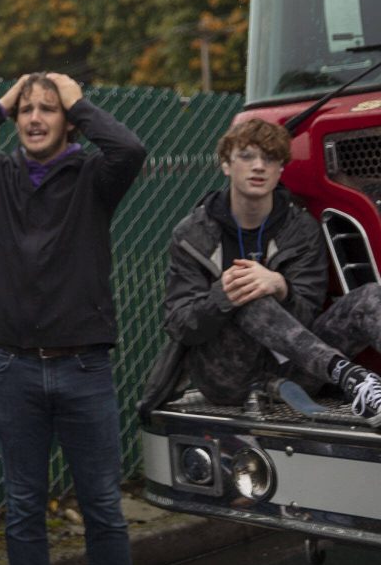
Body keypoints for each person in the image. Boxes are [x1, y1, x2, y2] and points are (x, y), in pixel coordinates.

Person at [0, 72, 146, 565]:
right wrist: (0, 104)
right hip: (13, 367)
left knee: (103, 509)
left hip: (85, 368)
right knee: (23, 509)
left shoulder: (95, 178)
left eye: (49, 108)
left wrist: (79, 101)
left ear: (69, 121)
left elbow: (129, 150)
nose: (35, 118)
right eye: (27, 110)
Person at [142, 118, 381, 418]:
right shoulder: (192, 234)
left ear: (280, 169)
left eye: (269, 159)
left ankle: (363, 387)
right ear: (226, 165)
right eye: (246, 156)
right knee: (246, 289)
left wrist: (282, 287)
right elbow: (179, 325)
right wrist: (222, 296)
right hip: (227, 377)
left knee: (371, 296)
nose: (258, 166)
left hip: (298, 367)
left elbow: (306, 316)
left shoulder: (301, 229)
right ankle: (352, 377)